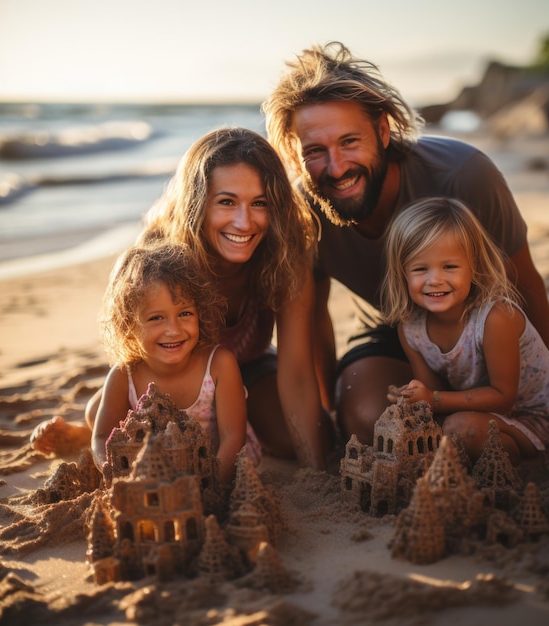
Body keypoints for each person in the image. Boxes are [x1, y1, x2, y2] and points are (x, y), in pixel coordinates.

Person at [262, 41, 549, 445]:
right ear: (296, 156)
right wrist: (331, 410)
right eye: (315, 151)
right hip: (407, 331)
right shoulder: (302, 216)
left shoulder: (463, 176)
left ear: (382, 130)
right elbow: (312, 320)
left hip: (488, 331)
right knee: (366, 421)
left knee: (473, 429)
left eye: (350, 141)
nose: (336, 167)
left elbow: (525, 281)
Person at [33, 128, 330, 470]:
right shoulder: (161, 257)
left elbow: (295, 371)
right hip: (178, 369)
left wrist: (316, 473)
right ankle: (83, 433)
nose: (244, 221)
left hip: (249, 364)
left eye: (259, 203)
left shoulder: (284, 255)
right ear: (197, 202)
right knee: (101, 413)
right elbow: (134, 346)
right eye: (227, 201)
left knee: (294, 437)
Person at [381, 197, 549, 464]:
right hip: (477, 413)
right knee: (425, 430)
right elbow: (434, 399)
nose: (435, 279)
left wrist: (433, 399)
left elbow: (502, 398)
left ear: (473, 267)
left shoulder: (496, 318)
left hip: (536, 420)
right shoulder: (411, 330)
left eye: (449, 266)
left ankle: (520, 464)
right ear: (402, 274)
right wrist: (414, 397)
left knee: (460, 430)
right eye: (419, 268)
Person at [91, 242, 260, 484]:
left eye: (184, 314)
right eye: (156, 318)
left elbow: (233, 439)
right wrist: (117, 472)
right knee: (95, 415)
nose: (174, 330)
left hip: (219, 464)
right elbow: (102, 436)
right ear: (128, 324)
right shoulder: (124, 375)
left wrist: (210, 486)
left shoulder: (219, 364)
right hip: (157, 473)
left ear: (200, 312)